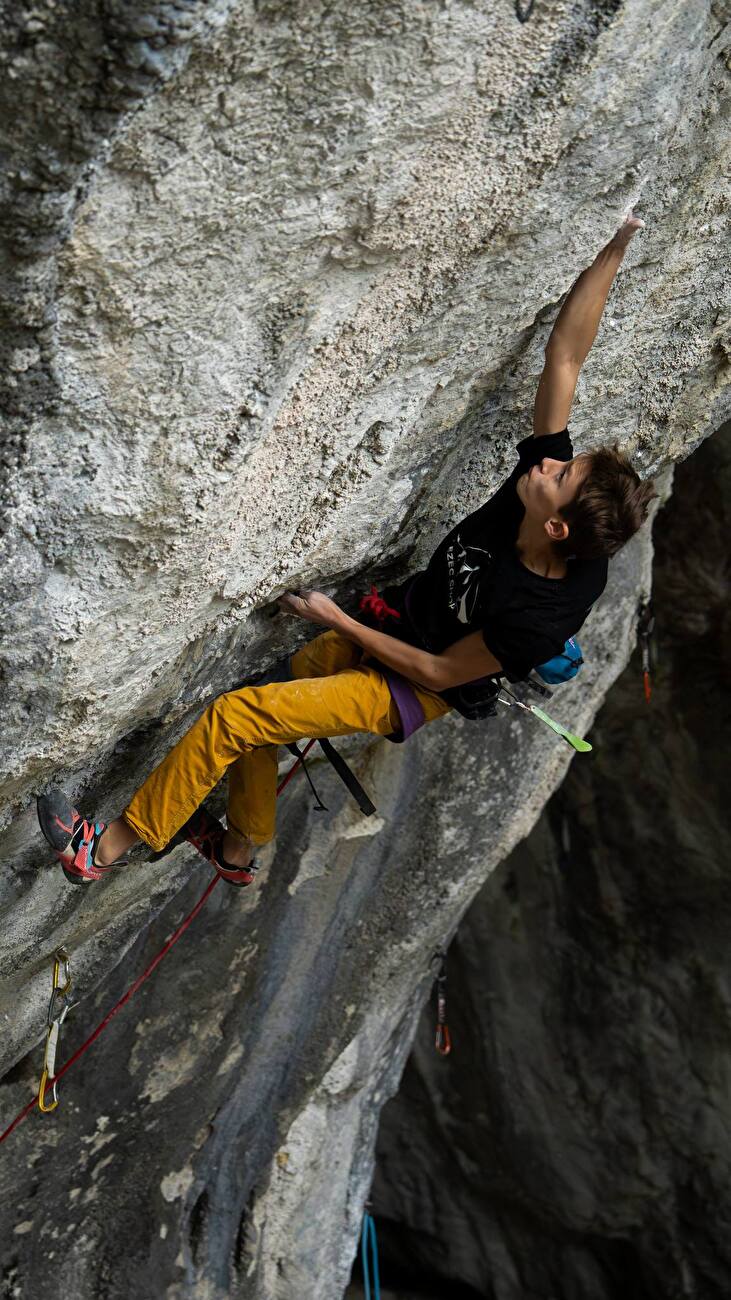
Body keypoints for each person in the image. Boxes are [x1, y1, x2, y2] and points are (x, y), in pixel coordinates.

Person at [38, 214, 655, 886]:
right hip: (394, 619)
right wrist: (615, 246)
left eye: (561, 474)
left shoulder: (540, 611)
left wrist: (339, 621)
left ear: (559, 528)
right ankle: (240, 849)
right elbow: (567, 353)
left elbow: (441, 672)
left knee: (235, 716)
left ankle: (102, 850)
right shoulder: (542, 493)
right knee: (265, 702)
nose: (549, 463)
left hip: (407, 684)